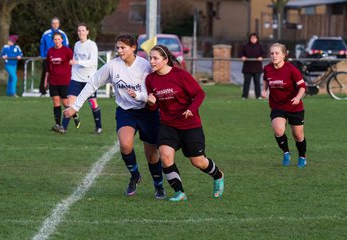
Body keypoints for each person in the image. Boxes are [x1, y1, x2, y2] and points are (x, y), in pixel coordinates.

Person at [64, 34, 166, 199]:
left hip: (147, 112)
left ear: (133, 48)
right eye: (117, 47)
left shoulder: (145, 66)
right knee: (125, 145)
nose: (119, 50)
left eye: (123, 47)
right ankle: (134, 175)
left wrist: (141, 96)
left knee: (152, 154)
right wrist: (76, 106)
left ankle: (159, 185)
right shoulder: (112, 66)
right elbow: (93, 83)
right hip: (126, 111)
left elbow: (155, 89)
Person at [146, 44, 225, 202]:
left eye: (155, 58)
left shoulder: (180, 74)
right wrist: (151, 103)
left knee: (198, 161)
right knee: (166, 156)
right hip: (168, 125)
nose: (152, 61)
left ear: (165, 60)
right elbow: (154, 107)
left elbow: (199, 93)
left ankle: (218, 175)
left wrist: (192, 109)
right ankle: (179, 193)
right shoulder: (150, 79)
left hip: (189, 124)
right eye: (150, 58)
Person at [261, 43, 307, 168]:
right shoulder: (267, 68)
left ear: (284, 55)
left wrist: (297, 98)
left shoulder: (291, 69)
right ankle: (286, 153)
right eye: (272, 53)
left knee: (297, 135)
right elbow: (266, 79)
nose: (274, 56)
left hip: (294, 107)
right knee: (279, 130)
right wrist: (264, 90)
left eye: (277, 53)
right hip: (277, 106)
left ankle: (302, 156)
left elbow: (302, 86)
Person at [59, 23, 102, 134]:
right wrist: (73, 72)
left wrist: (78, 62)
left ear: (87, 32)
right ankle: (63, 128)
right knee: (70, 103)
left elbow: (92, 62)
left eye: (83, 30)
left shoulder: (92, 45)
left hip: (89, 79)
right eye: (79, 31)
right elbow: (74, 61)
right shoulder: (77, 44)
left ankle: (99, 127)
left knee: (93, 103)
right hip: (76, 78)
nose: (81, 33)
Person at [45, 32, 73, 132]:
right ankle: (58, 124)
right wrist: (46, 80)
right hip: (53, 81)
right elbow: (48, 67)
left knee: (65, 102)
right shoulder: (50, 51)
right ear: (53, 41)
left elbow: (73, 63)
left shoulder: (67, 51)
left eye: (58, 39)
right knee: (56, 102)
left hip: (65, 81)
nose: (57, 41)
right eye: (55, 39)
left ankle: (74, 114)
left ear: (62, 40)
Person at [39, 17, 69, 96]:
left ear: (59, 24)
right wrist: (42, 56)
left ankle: (58, 90)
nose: (55, 25)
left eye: (57, 23)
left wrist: (65, 57)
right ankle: (43, 90)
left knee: (59, 73)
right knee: (45, 74)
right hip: (47, 58)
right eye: (53, 23)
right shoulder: (46, 33)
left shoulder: (62, 34)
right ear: (51, 24)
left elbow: (66, 46)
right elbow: (42, 45)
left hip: (60, 59)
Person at [240, 33, 264, 99]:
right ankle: (244, 96)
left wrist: (261, 57)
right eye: (252, 38)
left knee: (257, 82)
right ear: (250, 39)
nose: (253, 39)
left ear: (257, 39)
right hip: (247, 67)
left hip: (257, 68)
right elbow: (241, 53)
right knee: (246, 82)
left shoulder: (260, 46)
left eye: (254, 38)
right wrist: (242, 57)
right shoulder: (245, 46)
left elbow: (263, 53)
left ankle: (258, 96)